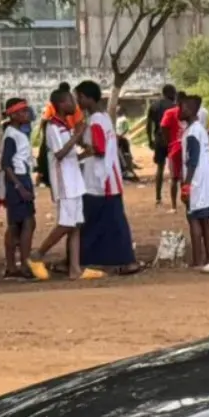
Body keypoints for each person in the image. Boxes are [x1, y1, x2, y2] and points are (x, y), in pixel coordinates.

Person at [29, 87, 98, 281]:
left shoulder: (64, 126)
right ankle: (37, 255)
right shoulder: (53, 127)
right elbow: (59, 153)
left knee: (75, 224)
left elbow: (69, 156)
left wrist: (85, 153)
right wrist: (78, 135)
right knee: (66, 223)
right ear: (61, 104)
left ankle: (74, 269)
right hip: (65, 182)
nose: (74, 105)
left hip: (74, 180)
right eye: (70, 101)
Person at [73, 80, 140, 274]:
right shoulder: (104, 118)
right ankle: (91, 259)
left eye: (79, 97)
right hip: (108, 178)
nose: (77, 101)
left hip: (100, 180)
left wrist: (79, 154)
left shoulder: (95, 121)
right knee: (104, 221)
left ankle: (82, 259)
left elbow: (99, 149)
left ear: (86, 98)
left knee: (94, 221)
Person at [179, 94, 209, 272]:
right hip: (207, 180)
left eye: (182, 108)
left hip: (197, 181)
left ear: (190, 110)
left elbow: (192, 160)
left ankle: (198, 261)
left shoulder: (191, 133)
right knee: (205, 221)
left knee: (194, 219)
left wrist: (186, 185)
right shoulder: (200, 129)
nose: (179, 111)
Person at [0, 98, 38, 279]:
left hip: (21, 178)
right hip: (18, 179)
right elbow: (6, 163)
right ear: (13, 115)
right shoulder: (12, 135)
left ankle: (12, 266)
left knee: (16, 224)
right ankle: (23, 265)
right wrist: (18, 186)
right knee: (27, 223)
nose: (26, 114)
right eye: (22, 112)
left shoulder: (17, 133)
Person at [147, 83, 176, 204]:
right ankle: (174, 198)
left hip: (159, 139)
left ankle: (158, 197)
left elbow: (149, 125)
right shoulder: (175, 106)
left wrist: (150, 140)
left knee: (160, 167)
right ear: (171, 93)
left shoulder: (154, 105)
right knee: (173, 168)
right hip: (171, 139)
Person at [159, 88, 185, 204]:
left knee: (174, 178)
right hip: (187, 147)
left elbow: (163, 127)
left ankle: (174, 206)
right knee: (186, 177)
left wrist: (168, 141)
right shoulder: (190, 113)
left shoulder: (170, 112)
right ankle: (187, 203)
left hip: (175, 147)